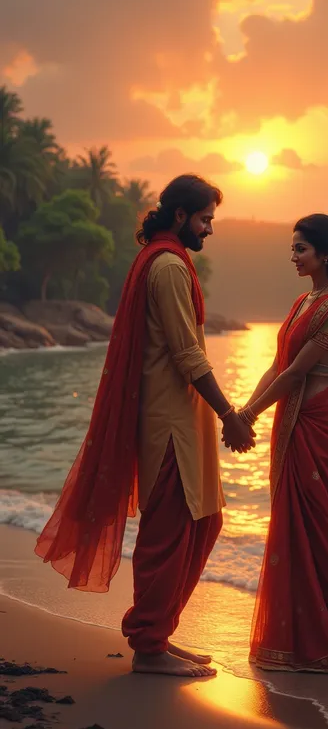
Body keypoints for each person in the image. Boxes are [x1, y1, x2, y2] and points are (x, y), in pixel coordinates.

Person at [35, 174, 255, 678]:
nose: (209, 229)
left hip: (181, 421)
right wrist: (230, 414)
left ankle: (157, 635)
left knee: (203, 522)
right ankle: (149, 646)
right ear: (180, 216)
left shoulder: (164, 259)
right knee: (169, 534)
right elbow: (186, 354)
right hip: (169, 425)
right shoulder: (168, 268)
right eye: (205, 219)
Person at [226, 214, 328, 673]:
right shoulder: (304, 302)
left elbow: (298, 372)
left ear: (325, 254)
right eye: (292, 248)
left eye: (301, 248)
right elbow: (278, 365)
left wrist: (248, 416)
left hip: (320, 430)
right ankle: (301, 642)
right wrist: (241, 412)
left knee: (323, 534)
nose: (294, 256)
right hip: (293, 425)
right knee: (295, 534)